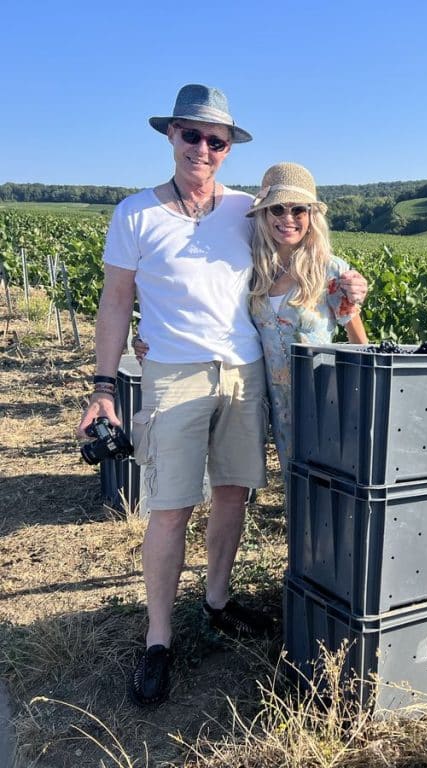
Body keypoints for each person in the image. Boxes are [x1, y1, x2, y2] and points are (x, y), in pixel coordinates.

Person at [76, 84, 367, 709]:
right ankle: (159, 639)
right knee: (171, 506)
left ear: (229, 148)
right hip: (174, 375)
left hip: (244, 373)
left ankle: (216, 601)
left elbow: (305, 246)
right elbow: (116, 302)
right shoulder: (135, 213)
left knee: (233, 497)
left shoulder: (248, 210)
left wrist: (348, 284)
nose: (203, 148)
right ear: (171, 137)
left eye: (216, 140)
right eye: (192, 135)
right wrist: (104, 386)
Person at [137, 162, 370, 470]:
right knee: (291, 478)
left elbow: (358, 339)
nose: (288, 219)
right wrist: (147, 338)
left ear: (311, 217)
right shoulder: (252, 269)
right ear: (263, 215)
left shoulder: (330, 270)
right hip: (269, 399)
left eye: (298, 210)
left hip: (319, 398)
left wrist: (360, 395)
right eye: (277, 210)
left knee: (324, 479)